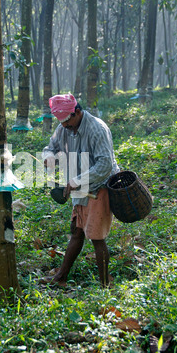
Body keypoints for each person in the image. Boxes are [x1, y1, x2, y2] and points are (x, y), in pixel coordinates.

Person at [42, 93, 119, 288]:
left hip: (98, 188)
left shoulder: (97, 129)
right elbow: (50, 147)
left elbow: (105, 165)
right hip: (78, 187)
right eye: (63, 124)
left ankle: (104, 285)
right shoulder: (63, 128)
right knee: (77, 233)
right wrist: (49, 156)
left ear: (77, 112)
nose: (65, 127)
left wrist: (78, 180)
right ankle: (61, 277)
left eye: (68, 122)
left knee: (96, 237)